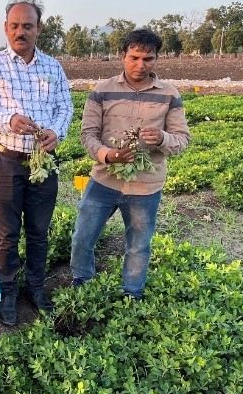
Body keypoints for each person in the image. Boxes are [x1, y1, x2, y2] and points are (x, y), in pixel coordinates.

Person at [0, 0, 73, 326]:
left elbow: (64, 108)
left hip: (44, 161)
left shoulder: (53, 67)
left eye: (27, 26)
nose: (20, 32)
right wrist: (9, 120)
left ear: (39, 29)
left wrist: (56, 132)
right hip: (8, 161)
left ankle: (36, 287)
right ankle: (8, 290)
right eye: (14, 26)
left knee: (39, 231)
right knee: (8, 233)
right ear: (5, 28)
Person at [70, 29, 191, 299]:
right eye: (134, 57)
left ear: (157, 59)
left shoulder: (169, 94)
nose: (141, 65)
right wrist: (108, 155)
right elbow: (87, 134)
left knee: (138, 245)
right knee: (82, 237)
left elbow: (182, 140)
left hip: (146, 187)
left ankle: (132, 294)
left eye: (148, 59)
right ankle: (82, 282)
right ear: (122, 56)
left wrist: (161, 138)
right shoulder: (102, 91)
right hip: (103, 180)